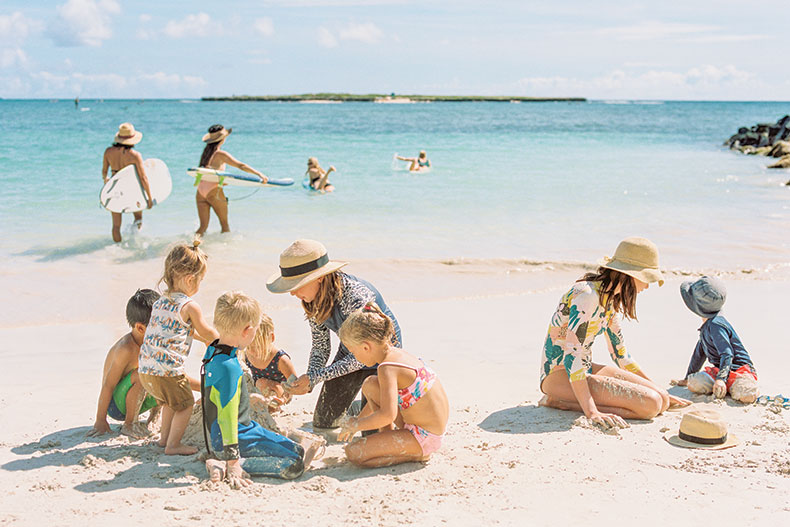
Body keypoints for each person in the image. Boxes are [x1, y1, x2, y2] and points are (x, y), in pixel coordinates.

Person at [539, 237, 691, 429]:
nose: (648, 285)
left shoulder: (609, 301)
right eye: (647, 278)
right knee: (651, 406)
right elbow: (572, 356)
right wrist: (592, 412)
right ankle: (557, 400)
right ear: (631, 274)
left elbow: (621, 354)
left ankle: (570, 400)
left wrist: (663, 391)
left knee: (662, 399)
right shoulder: (587, 295)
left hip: (583, 369)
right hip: (559, 374)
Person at [266, 239, 402, 430]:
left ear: (319, 277)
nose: (293, 293)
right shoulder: (312, 299)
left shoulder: (356, 297)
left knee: (370, 433)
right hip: (350, 350)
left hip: (381, 356)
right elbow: (321, 346)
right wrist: (310, 378)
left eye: (297, 284)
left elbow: (363, 358)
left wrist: (315, 377)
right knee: (324, 422)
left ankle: (381, 402)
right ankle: (357, 406)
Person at [202, 291, 322, 487]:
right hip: (233, 437)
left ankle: (223, 457)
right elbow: (227, 416)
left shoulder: (214, 349)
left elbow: (216, 396)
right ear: (247, 331)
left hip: (243, 428)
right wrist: (232, 462)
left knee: (299, 451)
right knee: (294, 465)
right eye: (256, 330)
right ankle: (223, 463)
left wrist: (249, 398)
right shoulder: (230, 367)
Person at [337, 302, 449, 467]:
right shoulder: (397, 355)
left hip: (423, 437)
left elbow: (387, 415)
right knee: (369, 384)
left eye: (354, 352)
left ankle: (415, 455)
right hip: (429, 429)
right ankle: (389, 438)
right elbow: (382, 401)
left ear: (366, 347)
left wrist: (356, 425)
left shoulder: (387, 368)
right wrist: (358, 419)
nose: (355, 357)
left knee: (354, 453)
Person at [138, 241, 219, 455]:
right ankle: (173, 445)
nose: (200, 286)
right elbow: (207, 330)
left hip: (146, 371)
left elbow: (183, 333)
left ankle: (164, 440)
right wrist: (223, 340)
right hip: (168, 372)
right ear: (190, 279)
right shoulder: (190, 306)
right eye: (200, 280)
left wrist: (203, 341)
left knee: (169, 403)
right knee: (185, 404)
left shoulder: (160, 303)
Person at [88, 289, 161, 439]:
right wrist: (100, 420)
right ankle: (129, 424)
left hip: (138, 400)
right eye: (159, 325)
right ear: (141, 328)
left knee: (163, 372)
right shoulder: (126, 349)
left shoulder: (153, 343)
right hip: (116, 406)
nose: (163, 329)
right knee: (143, 373)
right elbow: (108, 385)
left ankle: (154, 418)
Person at [675, 276, 759, 403]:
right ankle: (726, 387)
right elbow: (699, 355)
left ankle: (733, 385)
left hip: (740, 370)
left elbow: (727, 354)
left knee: (747, 395)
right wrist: (687, 377)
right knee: (694, 383)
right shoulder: (706, 327)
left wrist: (720, 379)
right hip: (721, 371)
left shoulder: (716, 325)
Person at [195, 124, 267, 237]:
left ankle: (191, 248)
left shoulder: (206, 154)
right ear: (222, 139)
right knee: (225, 226)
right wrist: (259, 174)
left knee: (202, 227)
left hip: (200, 192)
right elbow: (241, 166)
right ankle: (226, 251)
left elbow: (209, 174)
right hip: (214, 192)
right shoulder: (220, 154)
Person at [102, 123, 153, 242]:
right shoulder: (135, 155)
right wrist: (149, 198)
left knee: (116, 225)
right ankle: (133, 242)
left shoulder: (108, 151)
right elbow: (143, 178)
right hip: (131, 188)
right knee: (138, 218)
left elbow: (104, 172)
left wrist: (106, 181)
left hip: (115, 188)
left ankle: (117, 249)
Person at [243, 313, 297, 413]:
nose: (253, 352)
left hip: (280, 392)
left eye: (258, 347)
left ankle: (272, 408)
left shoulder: (281, 359)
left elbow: (294, 383)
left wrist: (284, 398)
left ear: (271, 338)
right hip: (259, 388)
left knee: (262, 383)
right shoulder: (246, 354)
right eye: (249, 347)